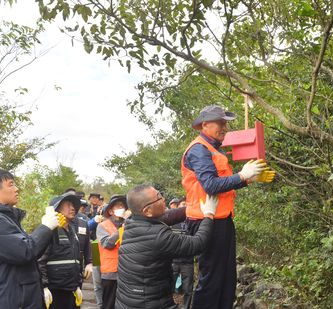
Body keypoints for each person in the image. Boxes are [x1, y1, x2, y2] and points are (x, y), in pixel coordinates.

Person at [181, 105, 272, 309]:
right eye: (220, 122)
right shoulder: (199, 149)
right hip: (206, 221)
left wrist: (248, 180)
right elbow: (211, 185)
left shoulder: (213, 149)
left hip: (221, 220)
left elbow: (221, 182)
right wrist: (242, 175)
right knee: (212, 280)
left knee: (226, 278)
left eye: (225, 123)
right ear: (205, 124)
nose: (224, 127)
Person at [0, 168, 62, 309]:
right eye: (11, 184)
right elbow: (25, 251)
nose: (17, 189)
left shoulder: (4, 219)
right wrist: (46, 227)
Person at [115, 185, 218, 309]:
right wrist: (209, 215)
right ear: (147, 211)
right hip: (148, 304)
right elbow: (197, 243)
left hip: (128, 301)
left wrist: (194, 208)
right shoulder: (158, 236)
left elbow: (169, 216)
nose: (163, 199)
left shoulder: (132, 223)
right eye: (158, 198)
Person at [38, 193, 84, 309]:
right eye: (68, 205)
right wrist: (44, 286)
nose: (72, 208)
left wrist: (78, 284)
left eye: (73, 205)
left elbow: (77, 259)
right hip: (55, 291)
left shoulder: (72, 231)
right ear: (57, 208)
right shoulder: (50, 230)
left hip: (71, 289)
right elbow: (40, 260)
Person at [97, 194, 129, 309]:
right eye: (118, 206)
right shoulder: (102, 226)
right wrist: (122, 230)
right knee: (109, 304)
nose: (122, 208)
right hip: (110, 272)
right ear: (110, 211)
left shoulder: (129, 224)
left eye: (123, 206)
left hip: (127, 271)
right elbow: (107, 244)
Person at [169, 198, 195, 309]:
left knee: (188, 288)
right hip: (173, 260)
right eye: (183, 204)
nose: (185, 206)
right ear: (178, 206)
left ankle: (186, 307)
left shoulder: (192, 221)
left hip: (187, 261)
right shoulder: (171, 221)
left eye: (187, 204)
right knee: (168, 286)